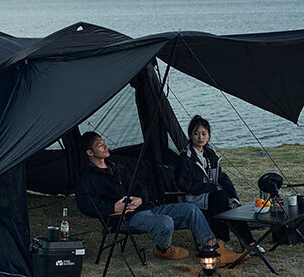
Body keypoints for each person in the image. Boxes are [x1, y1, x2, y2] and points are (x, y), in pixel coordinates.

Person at [75, 131, 245, 265]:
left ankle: (212, 247)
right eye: (100, 145)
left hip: (147, 208)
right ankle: (163, 249)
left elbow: (140, 186)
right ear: (90, 152)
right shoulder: (88, 177)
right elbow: (85, 204)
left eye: (104, 143)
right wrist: (113, 208)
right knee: (165, 223)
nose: (105, 147)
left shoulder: (116, 167)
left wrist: (140, 199)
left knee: (190, 209)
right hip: (126, 218)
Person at [174, 114, 253, 249]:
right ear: (190, 135)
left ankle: (249, 243)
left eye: (204, 134)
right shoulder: (185, 157)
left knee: (231, 203)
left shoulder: (210, 155)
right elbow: (185, 185)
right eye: (196, 134)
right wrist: (211, 188)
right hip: (194, 197)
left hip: (213, 195)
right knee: (220, 197)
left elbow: (221, 178)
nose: (200, 137)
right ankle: (222, 240)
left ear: (208, 135)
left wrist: (233, 197)